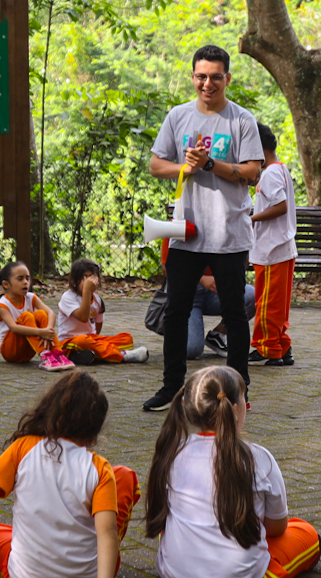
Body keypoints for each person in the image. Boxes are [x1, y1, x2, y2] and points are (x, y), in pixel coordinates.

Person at [0, 371, 138, 578]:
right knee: (123, 477)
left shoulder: (24, 447)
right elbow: (107, 533)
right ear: (95, 427)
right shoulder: (99, 468)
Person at [146, 44, 265, 411]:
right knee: (177, 311)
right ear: (193, 77)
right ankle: (172, 388)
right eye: (201, 76)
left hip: (229, 233)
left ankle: (237, 389)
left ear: (227, 78)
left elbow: (252, 172)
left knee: (233, 312)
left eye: (215, 77)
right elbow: (155, 165)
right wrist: (186, 168)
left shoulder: (241, 120)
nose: (207, 83)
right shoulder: (178, 116)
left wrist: (212, 164)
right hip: (187, 232)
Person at [147, 366, 320, 578]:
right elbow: (277, 528)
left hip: (174, 577)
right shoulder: (258, 458)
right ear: (236, 410)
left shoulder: (171, 452)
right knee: (306, 533)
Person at [247, 123, 297, 366]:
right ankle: (280, 345)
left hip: (271, 249)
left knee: (267, 303)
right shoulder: (280, 170)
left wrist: (251, 218)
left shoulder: (269, 174)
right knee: (277, 303)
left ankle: (269, 348)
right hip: (280, 248)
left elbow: (280, 206)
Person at [55, 259, 148, 364]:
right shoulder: (68, 297)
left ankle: (91, 355)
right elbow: (83, 317)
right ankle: (123, 356)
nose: (90, 281)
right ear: (74, 282)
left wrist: (97, 342)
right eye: (86, 277)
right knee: (83, 341)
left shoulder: (98, 300)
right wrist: (86, 291)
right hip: (69, 342)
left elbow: (97, 329)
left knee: (126, 339)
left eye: (92, 277)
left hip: (91, 340)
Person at [0, 261, 66, 369]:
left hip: (29, 351)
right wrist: (41, 332)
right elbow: (14, 328)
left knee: (41, 314)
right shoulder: (2, 305)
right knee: (26, 316)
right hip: (10, 351)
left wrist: (48, 331)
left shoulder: (31, 297)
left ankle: (57, 354)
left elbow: (51, 313)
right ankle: (45, 356)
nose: (25, 282)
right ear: (6, 284)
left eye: (27, 278)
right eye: (20, 279)